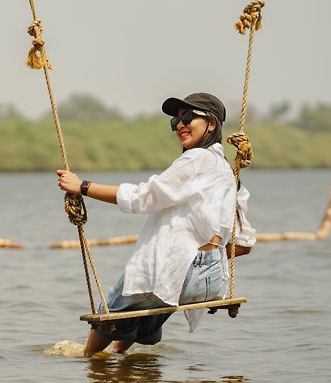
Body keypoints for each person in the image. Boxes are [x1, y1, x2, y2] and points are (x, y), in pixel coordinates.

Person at [56, 92, 256, 356]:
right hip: (212, 281)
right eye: (176, 120)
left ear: (211, 124)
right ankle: (118, 355)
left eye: (188, 117)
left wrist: (82, 187)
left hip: (183, 273)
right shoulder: (226, 171)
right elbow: (244, 244)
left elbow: (145, 197)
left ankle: (85, 359)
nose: (180, 125)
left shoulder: (197, 159)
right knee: (145, 306)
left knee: (112, 314)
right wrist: (209, 257)